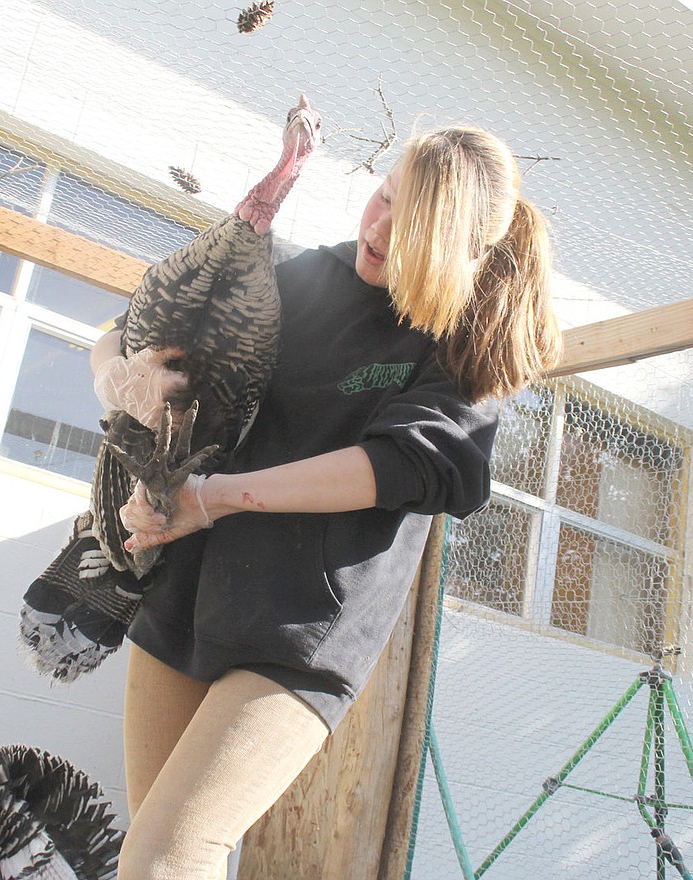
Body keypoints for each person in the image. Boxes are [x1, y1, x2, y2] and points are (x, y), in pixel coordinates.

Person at [91, 126, 562, 880]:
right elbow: (123, 336)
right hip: (183, 591)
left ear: (462, 249)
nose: (377, 226)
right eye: (384, 195)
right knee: (147, 854)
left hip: (299, 631)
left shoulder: (468, 344)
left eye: (411, 224)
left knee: (169, 858)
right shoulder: (288, 272)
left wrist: (212, 500)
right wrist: (128, 388)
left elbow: (402, 463)